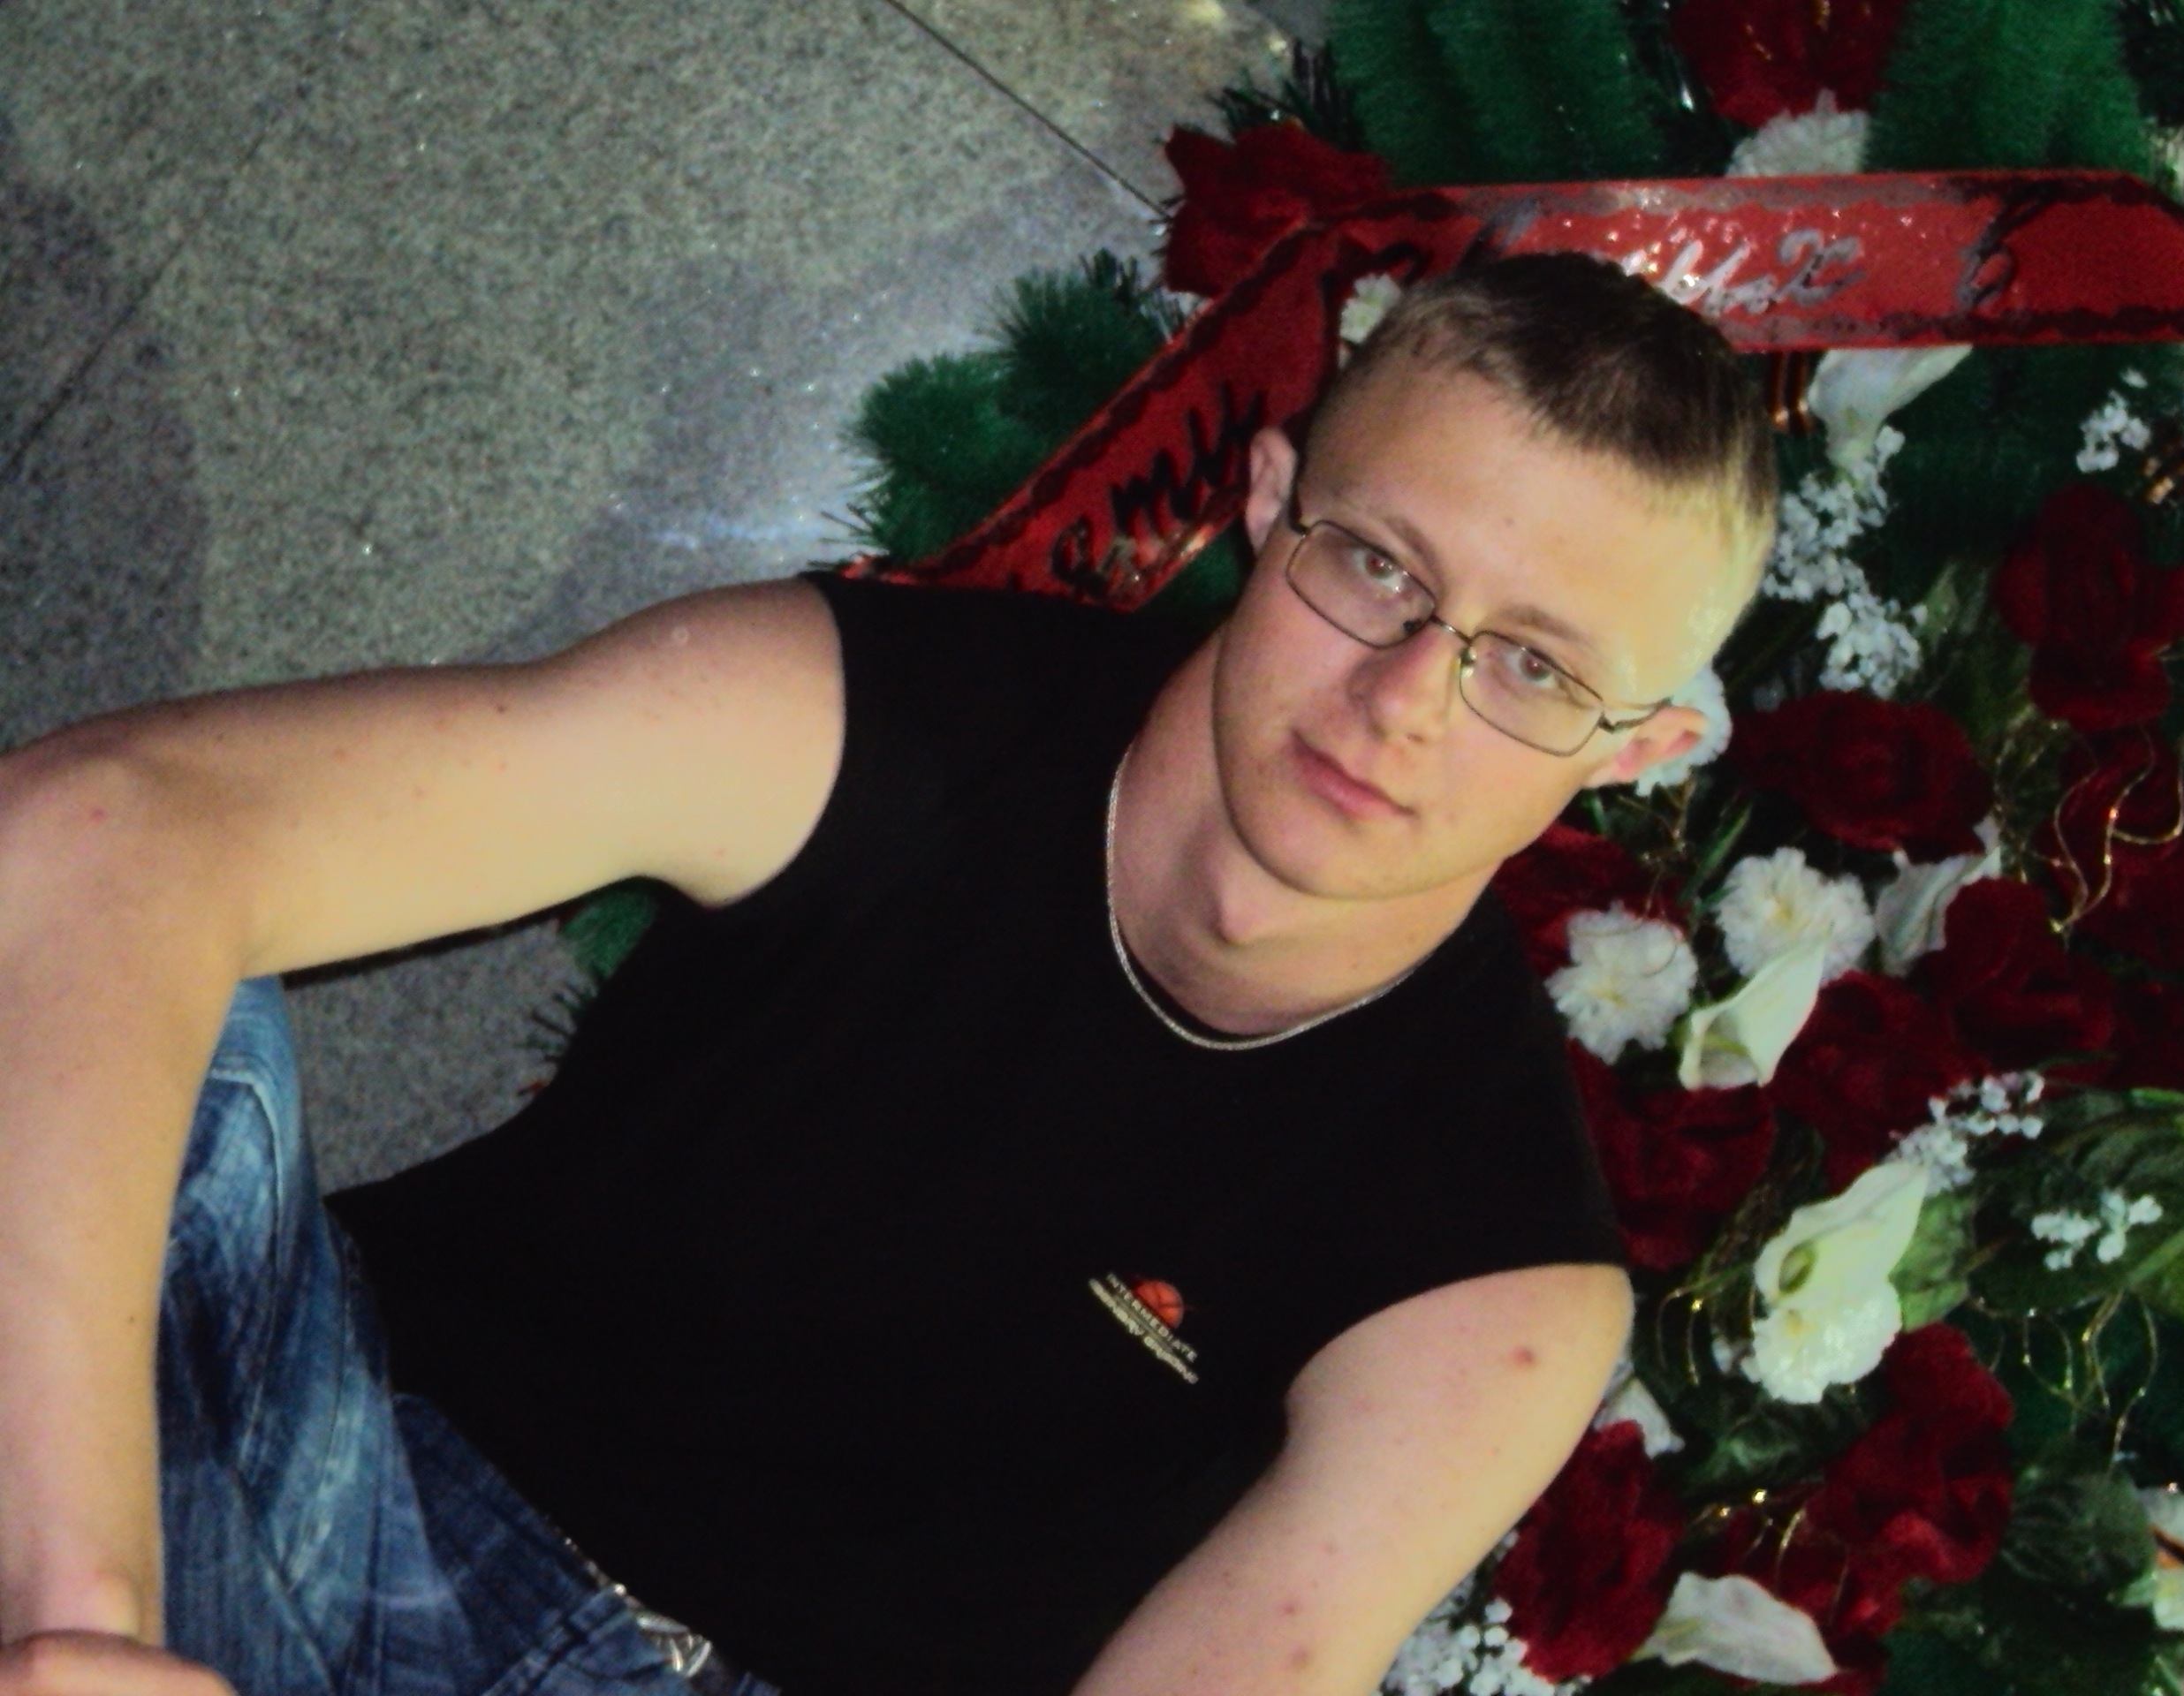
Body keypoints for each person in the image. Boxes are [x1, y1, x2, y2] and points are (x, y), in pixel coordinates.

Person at [0, 251, 1774, 1696]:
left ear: (1641, 748)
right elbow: (99, 832)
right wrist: (83, 1624)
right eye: (1376, 567)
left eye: (1534, 670)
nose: (1405, 702)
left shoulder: (1494, 1291)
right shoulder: (859, 715)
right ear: (1266, 500)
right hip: (326, 1458)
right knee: (102, 972)